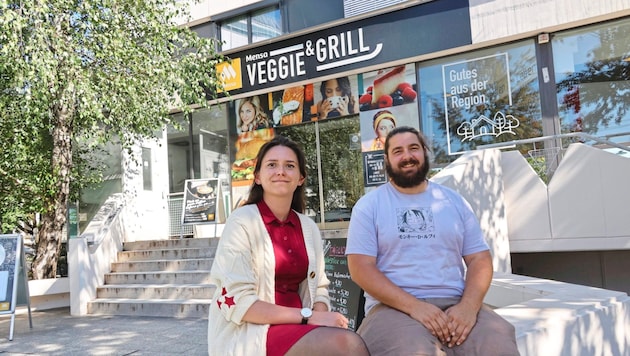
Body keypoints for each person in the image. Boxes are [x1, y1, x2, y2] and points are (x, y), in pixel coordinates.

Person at [346, 126, 520, 356]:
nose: (407, 156)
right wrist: (415, 307)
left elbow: (479, 258)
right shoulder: (369, 206)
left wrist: (469, 307)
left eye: (413, 148)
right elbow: (360, 269)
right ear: (386, 160)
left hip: (456, 303)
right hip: (392, 308)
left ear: (425, 153)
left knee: (498, 346)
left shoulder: (454, 202)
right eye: (397, 151)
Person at [207, 136, 369, 356]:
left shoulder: (308, 227)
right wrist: (309, 316)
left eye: (290, 166)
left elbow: (320, 288)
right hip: (254, 331)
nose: (281, 171)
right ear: (257, 177)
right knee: (347, 345)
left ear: (301, 178)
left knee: (343, 340)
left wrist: (319, 318)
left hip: (300, 325)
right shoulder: (241, 222)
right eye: (272, 165)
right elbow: (239, 301)